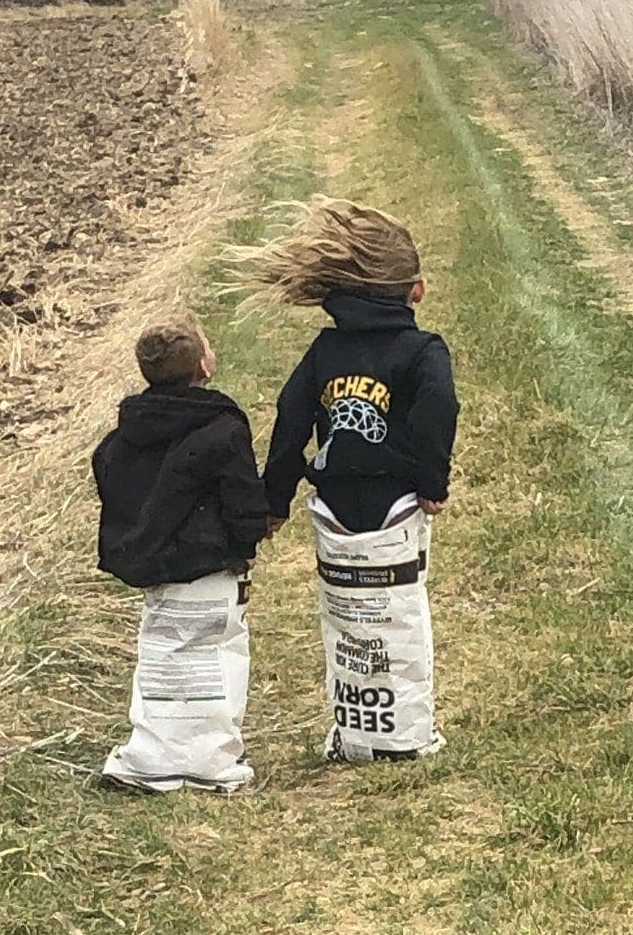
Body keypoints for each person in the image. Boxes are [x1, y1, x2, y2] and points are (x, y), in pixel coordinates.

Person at [250, 199, 459, 763]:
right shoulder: (422, 351)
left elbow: (291, 420)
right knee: (398, 616)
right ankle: (404, 736)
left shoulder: (325, 351)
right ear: (415, 292)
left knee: (348, 626)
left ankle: (355, 732)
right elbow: (437, 410)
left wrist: (275, 500)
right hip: (396, 505)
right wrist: (432, 483)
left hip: (335, 504)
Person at [94, 312, 270, 794]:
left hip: (156, 574)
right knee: (215, 662)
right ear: (204, 366)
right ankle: (212, 762)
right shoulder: (222, 427)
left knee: (162, 662)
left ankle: (151, 757)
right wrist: (246, 543)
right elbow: (241, 498)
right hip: (213, 569)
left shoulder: (125, 434)